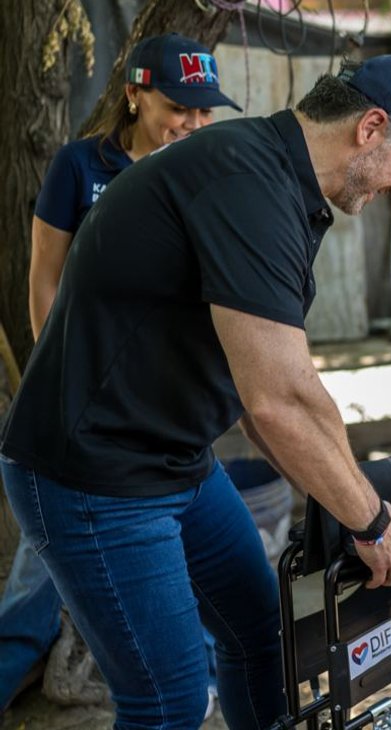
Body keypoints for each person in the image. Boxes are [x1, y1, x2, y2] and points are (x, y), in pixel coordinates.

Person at [0, 54, 391, 729]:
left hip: (173, 458)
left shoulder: (280, 181)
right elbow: (276, 401)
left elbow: (286, 389)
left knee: (259, 632)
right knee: (169, 702)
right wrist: (369, 520)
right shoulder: (248, 183)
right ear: (371, 128)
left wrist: (354, 498)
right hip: (95, 475)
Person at [0, 33, 241, 719]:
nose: (192, 122)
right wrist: (62, 383)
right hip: (82, 421)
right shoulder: (80, 167)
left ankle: (199, 676)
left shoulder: (209, 171)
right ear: (134, 94)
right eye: (178, 107)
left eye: (204, 109)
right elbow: (45, 282)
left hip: (167, 416)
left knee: (179, 556)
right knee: (37, 574)